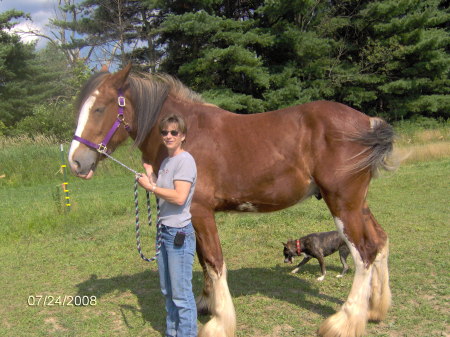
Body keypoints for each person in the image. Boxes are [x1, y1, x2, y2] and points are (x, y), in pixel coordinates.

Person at [136, 114, 197, 337]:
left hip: (178, 234)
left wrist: (151, 188)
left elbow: (179, 197)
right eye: (164, 132)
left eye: (174, 132)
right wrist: (150, 176)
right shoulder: (167, 162)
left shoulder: (185, 160)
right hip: (164, 231)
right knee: (168, 291)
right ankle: (173, 333)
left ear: (183, 136)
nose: (168, 136)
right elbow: (164, 189)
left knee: (181, 294)